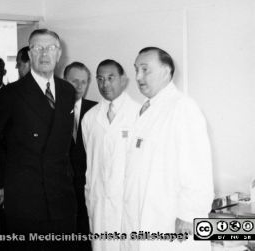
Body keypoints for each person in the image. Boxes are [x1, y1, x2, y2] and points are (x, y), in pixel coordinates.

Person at [0, 29, 77, 251]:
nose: (44, 54)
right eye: (37, 48)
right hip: (24, 195)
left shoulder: (67, 91)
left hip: (61, 194)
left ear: (59, 53)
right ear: (29, 55)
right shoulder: (11, 93)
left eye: (50, 48)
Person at [122, 47, 214, 251]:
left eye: (145, 70)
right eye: (136, 69)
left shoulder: (183, 107)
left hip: (171, 220)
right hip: (145, 216)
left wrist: (190, 215)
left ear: (166, 71)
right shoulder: (146, 109)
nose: (138, 76)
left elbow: (198, 167)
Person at [81, 59, 140, 251]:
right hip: (98, 203)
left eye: (110, 78)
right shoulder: (90, 118)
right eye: (100, 79)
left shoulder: (139, 114)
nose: (104, 84)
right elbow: (90, 163)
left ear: (123, 80)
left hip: (129, 203)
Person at [64, 61, 96, 251]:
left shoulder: (96, 110)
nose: (79, 86)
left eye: (83, 82)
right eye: (74, 81)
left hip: (88, 187)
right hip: (60, 188)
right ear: (63, 81)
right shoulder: (50, 110)